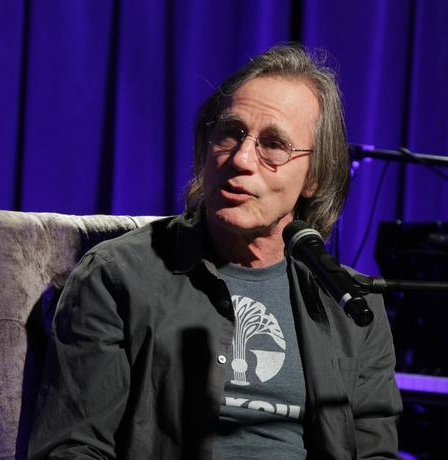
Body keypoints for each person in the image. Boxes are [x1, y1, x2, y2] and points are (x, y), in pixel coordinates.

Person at [28, 44, 402, 459]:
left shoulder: (351, 306)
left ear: (314, 177)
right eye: (230, 132)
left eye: (273, 144)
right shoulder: (117, 277)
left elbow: (375, 452)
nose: (241, 159)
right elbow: (72, 448)